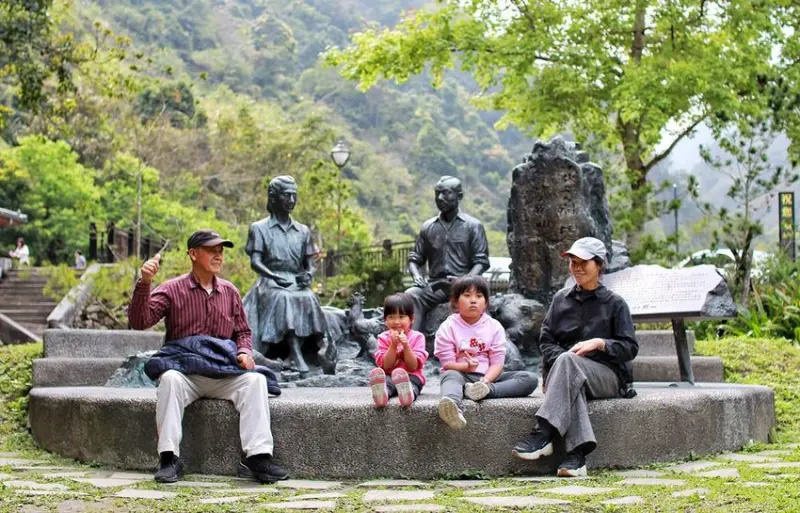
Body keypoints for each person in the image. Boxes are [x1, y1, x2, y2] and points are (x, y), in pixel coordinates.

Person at [128, 229, 288, 484]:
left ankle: (259, 457)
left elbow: (243, 332)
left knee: (255, 381)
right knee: (169, 379)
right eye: (212, 250)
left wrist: (245, 351)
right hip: (186, 375)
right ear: (193, 253)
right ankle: (168, 459)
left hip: (224, 373)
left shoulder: (230, 292)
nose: (218, 256)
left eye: (221, 251)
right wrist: (145, 282)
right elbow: (139, 321)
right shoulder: (172, 289)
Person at [511, 237, 638, 477]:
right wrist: (560, 367)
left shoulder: (615, 304)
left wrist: (600, 344)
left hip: (607, 377)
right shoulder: (561, 299)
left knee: (569, 364)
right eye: (573, 262)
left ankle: (544, 432)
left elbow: (629, 348)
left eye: (584, 262)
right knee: (571, 373)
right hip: (571, 375)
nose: (577, 267)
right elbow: (546, 342)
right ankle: (576, 456)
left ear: (599, 265)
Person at [243, 175, 330, 374]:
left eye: (294, 196)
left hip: (295, 281)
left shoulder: (302, 230)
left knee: (308, 296)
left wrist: (308, 274)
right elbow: (255, 262)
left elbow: (310, 263)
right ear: (274, 197)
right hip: (270, 282)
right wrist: (273, 276)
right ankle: (295, 352)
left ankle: (318, 347)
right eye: (286, 195)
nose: (291, 200)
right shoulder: (259, 228)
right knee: (283, 297)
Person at [434, 275, 538, 429]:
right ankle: (452, 407)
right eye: (467, 295)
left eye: (479, 296)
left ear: (486, 302)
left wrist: (486, 381)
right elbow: (447, 363)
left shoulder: (494, 326)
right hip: (460, 373)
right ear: (456, 301)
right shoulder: (447, 327)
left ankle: (484, 391)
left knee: (529, 378)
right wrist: (465, 367)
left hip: (488, 377)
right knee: (449, 377)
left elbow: (497, 362)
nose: (473, 300)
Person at [405, 176, 490, 331]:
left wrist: (465, 281)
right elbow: (414, 259)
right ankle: (413, 344)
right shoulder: (428, 227)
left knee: (473, 304)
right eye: (437, 193)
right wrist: (417, 277)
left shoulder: (473, 226)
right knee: (411, 295)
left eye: (446, 193)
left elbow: (481, 261)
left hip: (464, 286)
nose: (440, 198)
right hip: (435, 286)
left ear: (459, 196)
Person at [369, 292, 428, 407]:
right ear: (385, 320)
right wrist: (393, 345)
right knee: (387, 381)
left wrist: (406, 346)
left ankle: (408, 394)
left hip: (412, 376)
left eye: (401, 317)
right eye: (391, 317)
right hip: (390, 374)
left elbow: (413, 366)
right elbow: (386, 366)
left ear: (411, 319)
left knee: (413, 383)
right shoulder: (383, 338)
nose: (396, 322)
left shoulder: (418, 337)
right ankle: (382, 395)